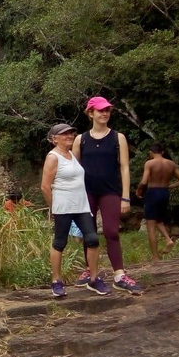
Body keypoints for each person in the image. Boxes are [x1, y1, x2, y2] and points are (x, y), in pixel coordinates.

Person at [73, 96, 142, 295]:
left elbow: (125, 167)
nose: (104, 113)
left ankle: (119, 275)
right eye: (100, 110)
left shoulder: (117, 137)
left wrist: (126, 196)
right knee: (89, 233)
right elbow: (74, 168)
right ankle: (90, 271)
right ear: (91, 113)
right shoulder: (81, 139)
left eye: (107, 110)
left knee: (112, 231)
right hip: (86, 191)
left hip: (110, 190)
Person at [41, 123, 111, 297]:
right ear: (54, 139)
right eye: (64, 134)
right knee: (60, 242)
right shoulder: (53, 157)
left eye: (71, 133)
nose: (69, 136)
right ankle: (56, 281)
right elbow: (45, 186)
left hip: (81, 206)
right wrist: (54, 207)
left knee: (93, 239)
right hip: (63, 207)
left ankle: (94, 279)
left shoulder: (71, 154)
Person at [136, 143, 179, 261]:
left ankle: (155, 257)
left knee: (150, 225)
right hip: (164, 193)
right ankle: (168, 239)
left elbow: (144, 181)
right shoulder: (171, 164)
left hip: (152, 193)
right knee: (158, 220)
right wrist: (169, 186)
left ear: (151, 152)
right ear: (162, 152)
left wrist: (139, 190)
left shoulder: (149, 163)